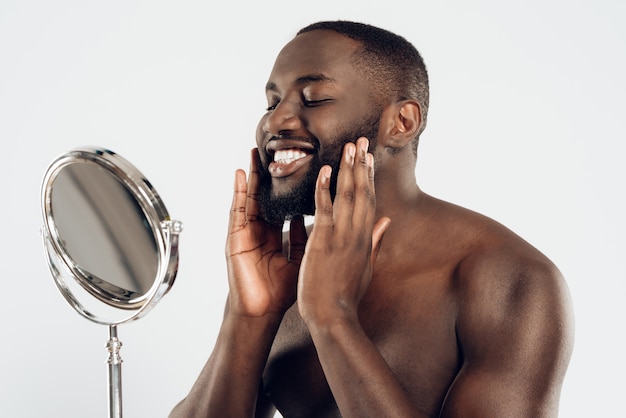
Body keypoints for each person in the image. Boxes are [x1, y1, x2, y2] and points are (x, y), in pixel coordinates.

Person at [170, 20, 574, 418]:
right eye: (272, 103)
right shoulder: (287, 268)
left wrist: (333, 316)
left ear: (402, 123)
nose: (276, 122)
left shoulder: (509, 278)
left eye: (313, 98)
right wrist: (249, 317)